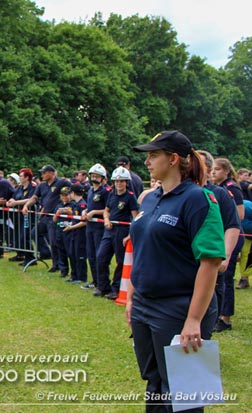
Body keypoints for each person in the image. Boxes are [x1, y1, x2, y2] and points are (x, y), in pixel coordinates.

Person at [128, 130, 225, 412]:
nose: (147, 162)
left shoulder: (198, 199)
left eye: (153, 155)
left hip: (179, 307)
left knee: (185, 393)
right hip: (145, 307)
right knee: (154, 382)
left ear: (172, 159)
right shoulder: (149, 198)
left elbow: (210, 262)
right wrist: (132, 298)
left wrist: (194, 319)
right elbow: (141, 249)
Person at [210, 157, 245, 332]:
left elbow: (239, 215)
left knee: (226, 277)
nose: (213, 172)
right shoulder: (219, 188)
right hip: (220, 235)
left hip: (231, 235)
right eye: (212, 169)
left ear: (226, 171)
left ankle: (225, 317)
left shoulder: (231, 189)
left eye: (217, 169)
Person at [94, 166, 138, 299]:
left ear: (126, 183)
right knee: (101, 257)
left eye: (122, 181)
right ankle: (103, 286)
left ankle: (116, 288)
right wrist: (106, 219)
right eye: (117, 181)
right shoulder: (111, 195)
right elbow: (106, 210)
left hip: (122, 231)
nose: (119, 184)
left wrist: (130, 235)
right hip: (109, 230)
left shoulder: (130, 197)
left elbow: (135, 217)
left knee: (120, 260)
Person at [22, 165, 71, 273]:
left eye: (44, 173)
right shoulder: (42, 186)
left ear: (52, 173)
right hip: (44, 215)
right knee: (34, 233)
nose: (42, 175)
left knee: (54, 241)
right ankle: (46, 253)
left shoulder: (61, 183)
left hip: (55, 217)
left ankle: (57, 264)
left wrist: (67, 205)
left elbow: (73, 191)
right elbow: (35, 197)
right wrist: (26, 205)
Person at [81, 164, 111, 289]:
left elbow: (108, 209)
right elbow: (90, 205)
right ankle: (95, 280)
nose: (94, 178)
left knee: (100, 255)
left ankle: (102, 281)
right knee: (91, 254)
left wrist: (94, 213)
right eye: (93, 175)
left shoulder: (106, 191)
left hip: (100, 226)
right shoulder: (90, 190)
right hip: (90, 226)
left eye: (97, 176)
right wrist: (86, 211)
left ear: (103, 178)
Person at [6, 168, 38, 265]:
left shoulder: (33, 186)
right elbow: (14, 196)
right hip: (19, 215)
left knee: (25, 236)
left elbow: (31, 199)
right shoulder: (20, 187)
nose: (19, 177)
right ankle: (23, 255)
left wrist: (15, 203)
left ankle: (30, 257)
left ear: (27, 177)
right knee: (19, 236)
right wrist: (10, 201)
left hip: (29, 215)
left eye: (21, 176)